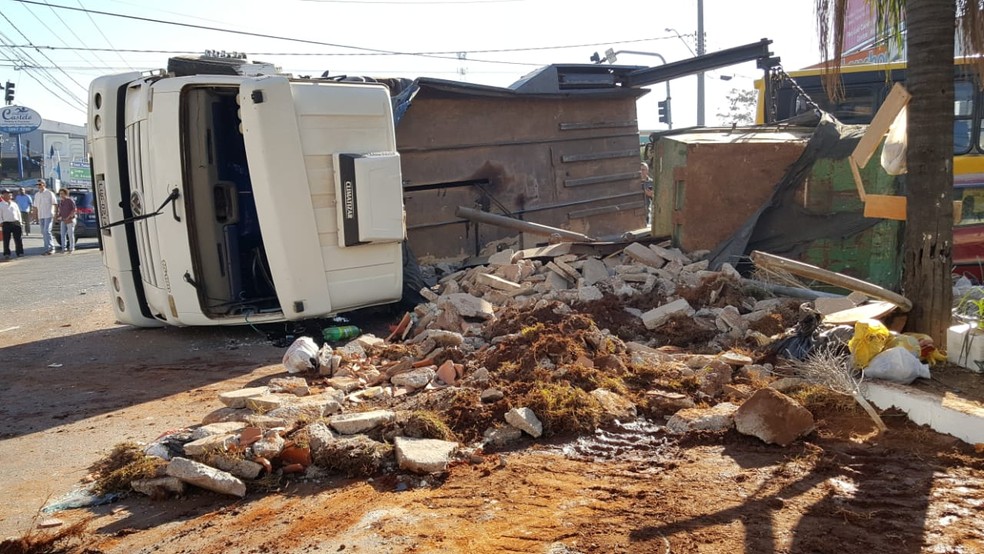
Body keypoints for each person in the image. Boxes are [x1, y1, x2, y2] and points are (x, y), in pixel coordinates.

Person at [33, 180, 58, 255]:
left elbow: (55, 204)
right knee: (43, 232)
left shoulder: (49, 193)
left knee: (47, 231)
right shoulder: (37, 195)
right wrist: (35, 216)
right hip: (41, 215)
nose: (38, 186)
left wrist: (55, 214)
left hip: (48, 215)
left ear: (44, 184)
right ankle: (47, 248)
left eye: (40, 184)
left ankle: (51, 248)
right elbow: (35, 206)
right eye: (37, 184)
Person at [0, 189, 24, 260]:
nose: (10, 195)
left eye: (10, 194)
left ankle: (20, 252)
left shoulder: (14, 204)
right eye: (7, 194)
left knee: (18, 239)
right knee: (6, 239)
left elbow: (18, 213)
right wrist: (1, 222)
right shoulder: (1, 205)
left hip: (16, 222)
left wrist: (20, 222)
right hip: (6, 223)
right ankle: (7, 253)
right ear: (3, 195)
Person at [56, 188, 77, 254]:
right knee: (62, 234)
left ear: (66, 194)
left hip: (70, 220)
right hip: (63, 220)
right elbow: (60, 211)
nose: (61, 195)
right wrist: (58, 216)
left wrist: (69, 217)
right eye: (60, 194)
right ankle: (63, 248)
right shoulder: (61, 202)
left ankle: (72, 248)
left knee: (70, 234)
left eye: (62, 193)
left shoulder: (70, 200)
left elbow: (74, 209)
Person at [641, 161, 654, 227]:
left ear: (647, 171)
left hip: (646, 213)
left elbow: (655, 198)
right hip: (636, 212)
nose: (641, 172)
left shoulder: (651, 182)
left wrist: (651, 195)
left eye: (643, 170)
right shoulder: (635, 182)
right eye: (640, 170)